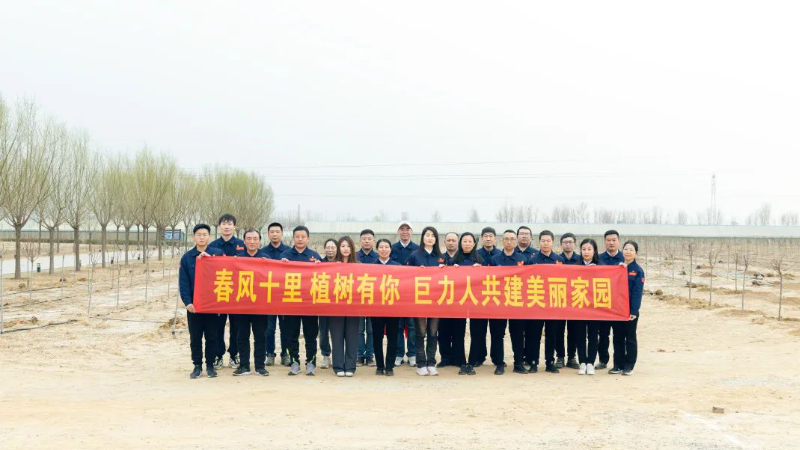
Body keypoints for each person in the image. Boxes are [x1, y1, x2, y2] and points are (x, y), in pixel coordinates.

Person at [179, 224, 224, 379]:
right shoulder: (187, 257)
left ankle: (210, 365)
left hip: (211, 306)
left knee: (212, 336)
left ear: (209, 237)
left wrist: (211, 260)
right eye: (199, 234)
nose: (202, 237)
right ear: (194, 237)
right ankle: (197, 365)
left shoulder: (217, 254)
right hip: (195, 306)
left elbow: (226, 272)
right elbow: (184, 283)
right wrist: (187, 302)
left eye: (205, 234)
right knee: (195, 337)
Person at [279, 225, 322, 376]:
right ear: (293, 238)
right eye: (297, 237)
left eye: (303, 237)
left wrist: (320, 266)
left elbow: (323, 277)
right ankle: (294, 362)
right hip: (291, 302)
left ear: (308, 239)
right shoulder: (285, 255)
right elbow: (277, 276)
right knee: (291, 334)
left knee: (311, 335)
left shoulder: (314, 256)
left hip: (310, 303)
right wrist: (281, 265)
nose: (300, 239)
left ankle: (311, 362)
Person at [407, 226, 446, 376]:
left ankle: (431, 363)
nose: (430, 238)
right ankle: (421, 363)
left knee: (433, 333)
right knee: (420, 332)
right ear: (423, 238)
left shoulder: (441, 257)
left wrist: (446, 268)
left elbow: (450, 277)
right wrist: (417, 271)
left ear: (436, 239)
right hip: (420, 300)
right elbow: (406, 275)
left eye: (432, 235)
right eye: (427, 235)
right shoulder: (415, 255)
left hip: (436, 300)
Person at [208, 214, 245, 370]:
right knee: (218, 326)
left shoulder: (242, 245)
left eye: (230, 224)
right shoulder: (213, 246)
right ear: (219, 226)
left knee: (236, 326)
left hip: (237, 293)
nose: (227, 226)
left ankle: (234, 355)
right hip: (220, 291)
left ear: (234, 226)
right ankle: (218, 355)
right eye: (224, 223)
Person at [490, 230, 529, 375]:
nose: (509, 241)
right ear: (502, 241)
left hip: (517, 302)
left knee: (517, 334)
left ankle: (518, 363)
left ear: (516, 241)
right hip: (498, 303)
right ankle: (499, 363)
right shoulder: (494, 259)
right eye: (506, 239)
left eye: (512, 239)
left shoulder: (523, 259)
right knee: (497, 334)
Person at [526, 230, 564, 374]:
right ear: (539, 242)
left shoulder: (559, 260)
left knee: (551, 335)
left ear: (553, 242)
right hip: (537, 302)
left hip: (553, 303)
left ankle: (550, 362)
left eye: (548, 241)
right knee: (534, 335)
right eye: (543, 241)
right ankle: (533, 362)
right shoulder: (532, 260)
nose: (546, 243)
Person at [232, 229, 269, 377]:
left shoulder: (266, 259)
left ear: (259, 241)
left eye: (255, 239)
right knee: (242, 336)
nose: (252, 242)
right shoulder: (237, 259)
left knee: (260, 336)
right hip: (242, 305)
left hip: (260, 306)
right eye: (249, 239)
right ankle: (244, 366)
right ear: (244, 241)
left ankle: (260, 366)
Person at [610, 241, 644, 376]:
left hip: (630, 310)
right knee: (617, 337)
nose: (628, 252)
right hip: (617, 309)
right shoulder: (616, 267)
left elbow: (637, 292)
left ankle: (629, 365)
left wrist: (634, 311)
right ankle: (617, 364)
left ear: (636, 253)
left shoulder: (638, 270)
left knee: (630, 337)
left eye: (631, 250)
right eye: (626, 249)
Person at [329, 236, 361, 377]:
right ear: (338, 248)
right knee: (336, 337)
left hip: (353, 307)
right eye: (342, 246)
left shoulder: (358, 266)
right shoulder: (331, 266)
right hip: (336, 307)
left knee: (352, 337)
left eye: (348, 246)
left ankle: (350, 366)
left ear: (352, 248)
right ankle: (338, 366)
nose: (345, 249)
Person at [451, 232, 482, 375]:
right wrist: (451, 270)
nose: (467, 244)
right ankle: (461, 362)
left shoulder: (480, 260)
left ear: (474, 243)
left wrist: (480, 270)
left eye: (470, 241)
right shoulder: (453, 260)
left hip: (476, 301)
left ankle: (472, 362)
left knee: (476, 333)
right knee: (458, 333)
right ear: (460, 243)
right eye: (464, 241)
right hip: (458, 301)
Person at [262, 222, 290, 367]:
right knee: (269, 328)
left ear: (282, 234)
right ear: (268, 234)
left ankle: (285, 354)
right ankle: (269, 354)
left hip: (285, 296)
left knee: (285, 328)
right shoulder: (262, 252)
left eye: (277, 232)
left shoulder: (289, 252)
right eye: (272, 232)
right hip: (268, 295)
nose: (274, 234)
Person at [391, 221, 419, 367]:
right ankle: (398, 354)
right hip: (396, 292)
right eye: (402, 229)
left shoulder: (417, 249)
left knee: (412, 325)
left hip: (412, 294)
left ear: (411, 232)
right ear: (398, 232)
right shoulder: (392, 248)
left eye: (407, 229)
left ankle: (412, 354)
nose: (405, 232)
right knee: (398, 326)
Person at [371, 239, 401, 376]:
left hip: (393, 309)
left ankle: (389, 366)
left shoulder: (397, 266)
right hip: (376, 308)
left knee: (392, 338)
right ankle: (379, 366)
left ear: (390, 249)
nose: (384, 249)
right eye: (381, 247)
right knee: (377, 338)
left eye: (386, 247)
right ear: (377, 249)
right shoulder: (371, 267)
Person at [596, 229, 623, 370]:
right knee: (603, 334)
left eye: (614, 240)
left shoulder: (625, 258)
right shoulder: (598, 259)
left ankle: (618, 362)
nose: (611, 243)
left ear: (619, 241)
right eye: (608, 240)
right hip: (603, 303)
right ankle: (603, 360)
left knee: (619, 335)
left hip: (619, 304)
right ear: (604, 242)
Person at [575, 238, 600, 375]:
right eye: (584, 249)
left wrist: (596, 271)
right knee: (580, 336)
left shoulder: (601, 267)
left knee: (593, 336)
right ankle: (582, 362)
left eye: (589, 249)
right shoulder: (575, 266)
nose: (586, 252)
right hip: (579, 306)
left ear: (594, 251)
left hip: (595, 308)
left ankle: (591, 362)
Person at [557, 232, 581, 369]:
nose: (568, 244)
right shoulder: (556, 259)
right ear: (561, 244)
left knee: (574, 331)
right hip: (559, 300)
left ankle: (572, 357)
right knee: (558, 331)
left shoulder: (580, 260)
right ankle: (560, 357)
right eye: (565, 242)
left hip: (575, 300)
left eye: (570, 242)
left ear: (575, 244)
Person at [437, 231, 460, 368]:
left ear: (458, 242)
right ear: (444, 242)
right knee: (443, 332)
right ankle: (445, 357)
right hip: (442, 302)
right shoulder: (439, 258)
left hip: (460, 301)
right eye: (449, 240)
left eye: (454, 240)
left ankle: (457, 358)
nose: (451, 243)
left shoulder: (463, 259)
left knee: (458, 332)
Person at [356, 230, 377, 367]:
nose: (367, 241)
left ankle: (370, 355)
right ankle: (359, 355)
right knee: (358, 329)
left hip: (374, 299)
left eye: (369, 238)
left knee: (371, 329)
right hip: (357, 299)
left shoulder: (378, 257)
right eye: (364, 239)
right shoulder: (354, 256)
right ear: (360, 241)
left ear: (373, 240)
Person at [317, 238, 338, 370]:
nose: (330, 250)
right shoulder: (319, 263)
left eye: (333, 247)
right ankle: (326, 355)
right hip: (323, 303)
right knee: (323, 331)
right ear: (324, 249)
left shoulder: (342, 263)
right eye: (328, 247)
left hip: (338, 304)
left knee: (337, 332)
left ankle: (337, 356)